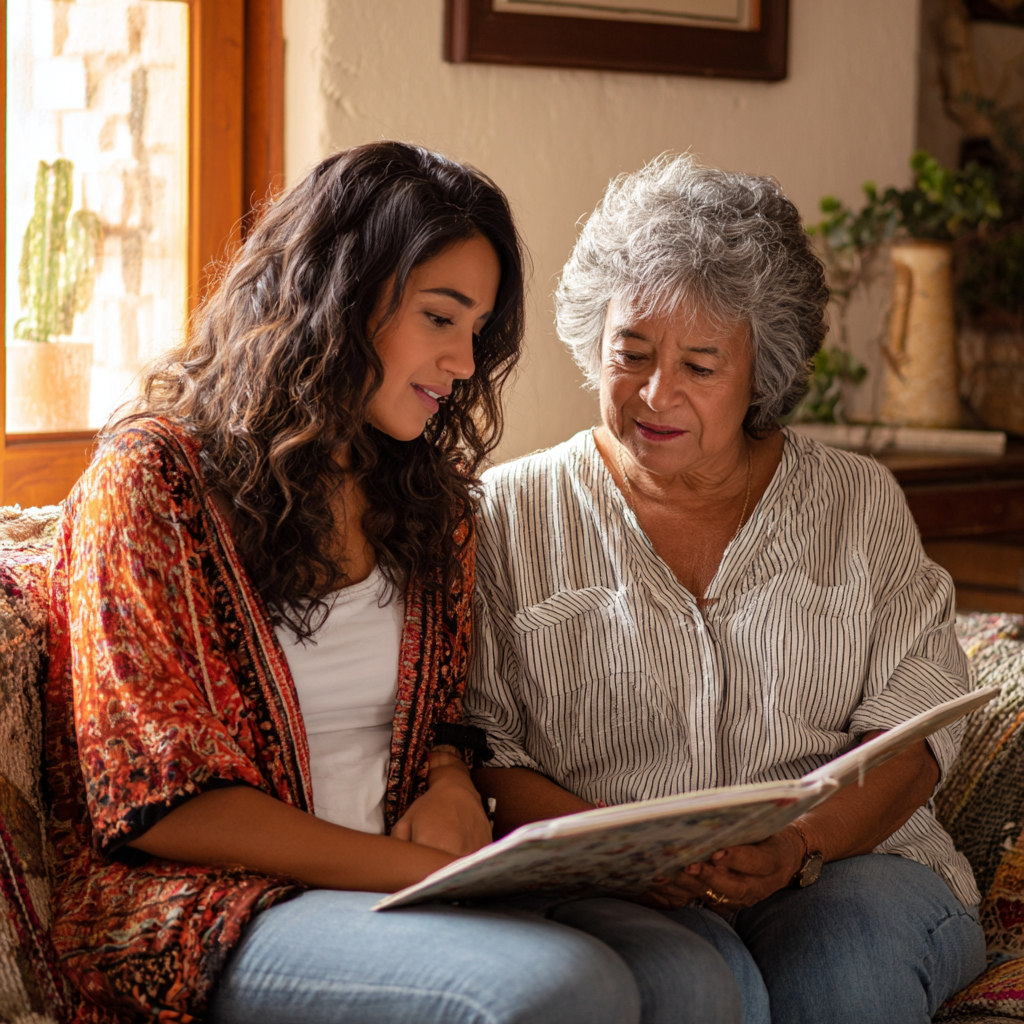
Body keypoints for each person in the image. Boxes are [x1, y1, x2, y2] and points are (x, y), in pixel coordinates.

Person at [45, 141, 746, 1024]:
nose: (463, 361)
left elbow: (441, 718)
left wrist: (451, 780)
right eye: (440, 318)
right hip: (213, 907)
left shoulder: (427, 499)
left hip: (413, 883)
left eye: (478, 331)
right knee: (567, 984)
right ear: (340, 295)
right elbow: (159, 801)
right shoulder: (153, 480)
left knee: (693, 977)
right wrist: (428, 873)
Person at [466, 154, 988, 1024]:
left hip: (852, 871)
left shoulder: (856, 502)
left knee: (841, 981)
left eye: (701, 366)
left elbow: (918, 731)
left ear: (762, 373)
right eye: (630, 354)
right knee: (698, 990)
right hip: (613, 886)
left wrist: (800, 844)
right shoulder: (507, 515)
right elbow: (486, 752)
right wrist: (627, 855)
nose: (655, 394)